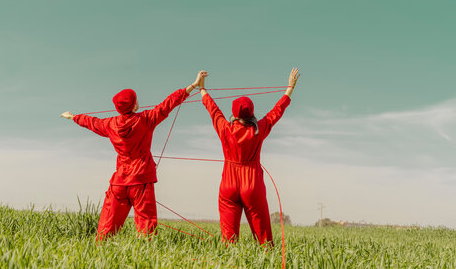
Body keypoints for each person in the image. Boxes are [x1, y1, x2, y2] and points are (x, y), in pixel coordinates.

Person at [60, 70, 208, 239]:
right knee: (146, 229)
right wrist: (194, 85)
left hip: (120, 181)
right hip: (142, 180)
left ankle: (98, 255)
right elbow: (168, 104)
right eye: (136, 100)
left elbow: (91, 122)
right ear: (134, 105)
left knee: (107, 226)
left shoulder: (110, 124)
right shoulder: (146, 119)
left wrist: (73, 117)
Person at [198, 68, 300, 245]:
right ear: (252, 112)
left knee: (228, 242)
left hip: (228, 184)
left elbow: (213, 110)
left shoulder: (225, 129)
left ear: (234, 114)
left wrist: (202, 89)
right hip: (252, 184)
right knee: (263, 240)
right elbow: (277, 111)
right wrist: (290, 88)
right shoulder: (258, 130)